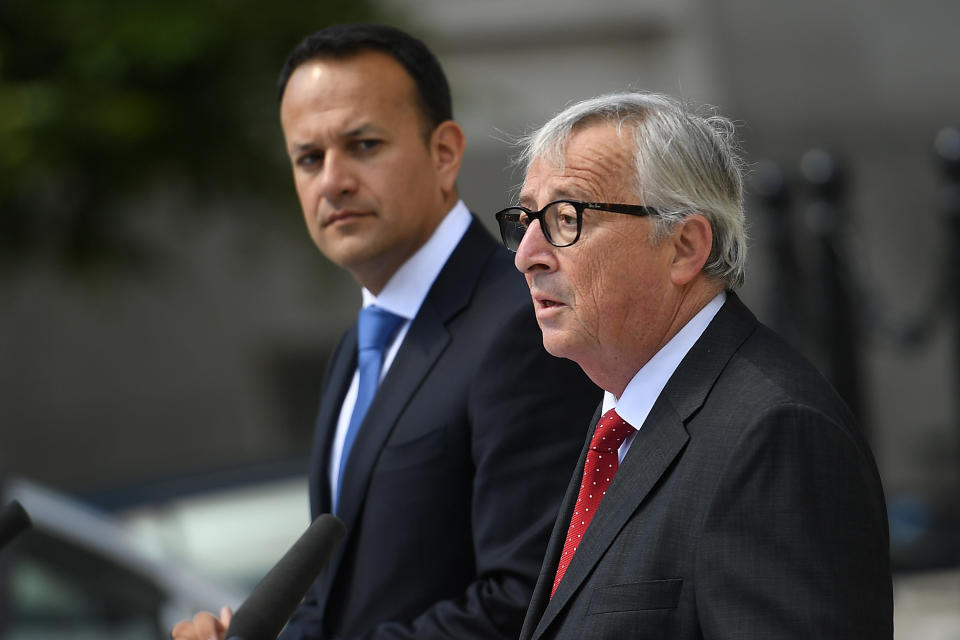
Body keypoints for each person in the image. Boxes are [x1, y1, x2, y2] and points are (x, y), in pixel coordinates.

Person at [171, 23, 599, 640]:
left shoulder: (523, 322)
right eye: (308, 158)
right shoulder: (356, 350)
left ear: (445, 153)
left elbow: (526, 601)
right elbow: (339, 603)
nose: (333, 180)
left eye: (364, 145)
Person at [494, 92, 893, 639]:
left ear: (684, 246)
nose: (527, 254)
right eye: (526, 219)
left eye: (567, 216)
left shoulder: (775, 434)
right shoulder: (624, 416)